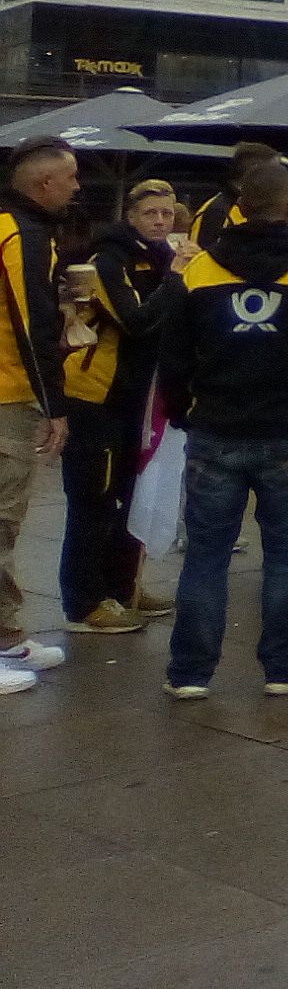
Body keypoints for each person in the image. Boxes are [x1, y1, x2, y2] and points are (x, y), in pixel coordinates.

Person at [159, 159, 288, 698]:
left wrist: (183, 409)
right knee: (286, 551)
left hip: (215, 428)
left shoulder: (200, 269)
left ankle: (189, 673)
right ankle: (285, 668)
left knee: (206, 554)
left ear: (239, 205)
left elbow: (174, 355)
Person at [57, 179, 182, 633]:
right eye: (151, 213)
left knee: (132, 493)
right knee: (93, 498)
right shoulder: (106, 261)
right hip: (96, 394)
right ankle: (84, 602)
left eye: (167, 214)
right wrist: (176, 282)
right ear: (130, 215)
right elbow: (136, 323)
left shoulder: (164, 257)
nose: (160, 222)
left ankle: (122, 586)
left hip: (139, 395)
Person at [2, 138, 77, 691]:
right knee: (2, 518)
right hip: (8, 394)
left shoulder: (11, 227)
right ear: (43, 184)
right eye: (70, 177)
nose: (77, 188)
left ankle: (6, 634)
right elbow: (34, 328)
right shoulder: (24, 238)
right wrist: (55, 406)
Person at [189, 141, 281, 248]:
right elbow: (202, 259)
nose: (280, 180)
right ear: (254, 174)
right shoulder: (218, 212)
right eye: (275, 174)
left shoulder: (261, 209)